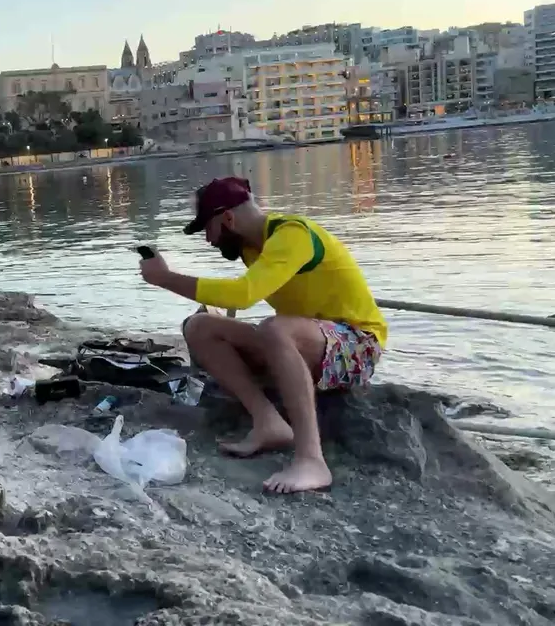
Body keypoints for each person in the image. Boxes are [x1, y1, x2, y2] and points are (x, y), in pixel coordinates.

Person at [138, 176, 387, 494]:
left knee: (275, 327)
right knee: (200, 327)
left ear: (228, 218)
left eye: (208, 229)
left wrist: (165, 278)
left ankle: (312, 460)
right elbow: (238, 293)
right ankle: (268, 422)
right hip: (310, 344)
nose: (209, 240)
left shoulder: (293, 235)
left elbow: (242, 295)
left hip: (358, 347)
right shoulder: (252, 249)